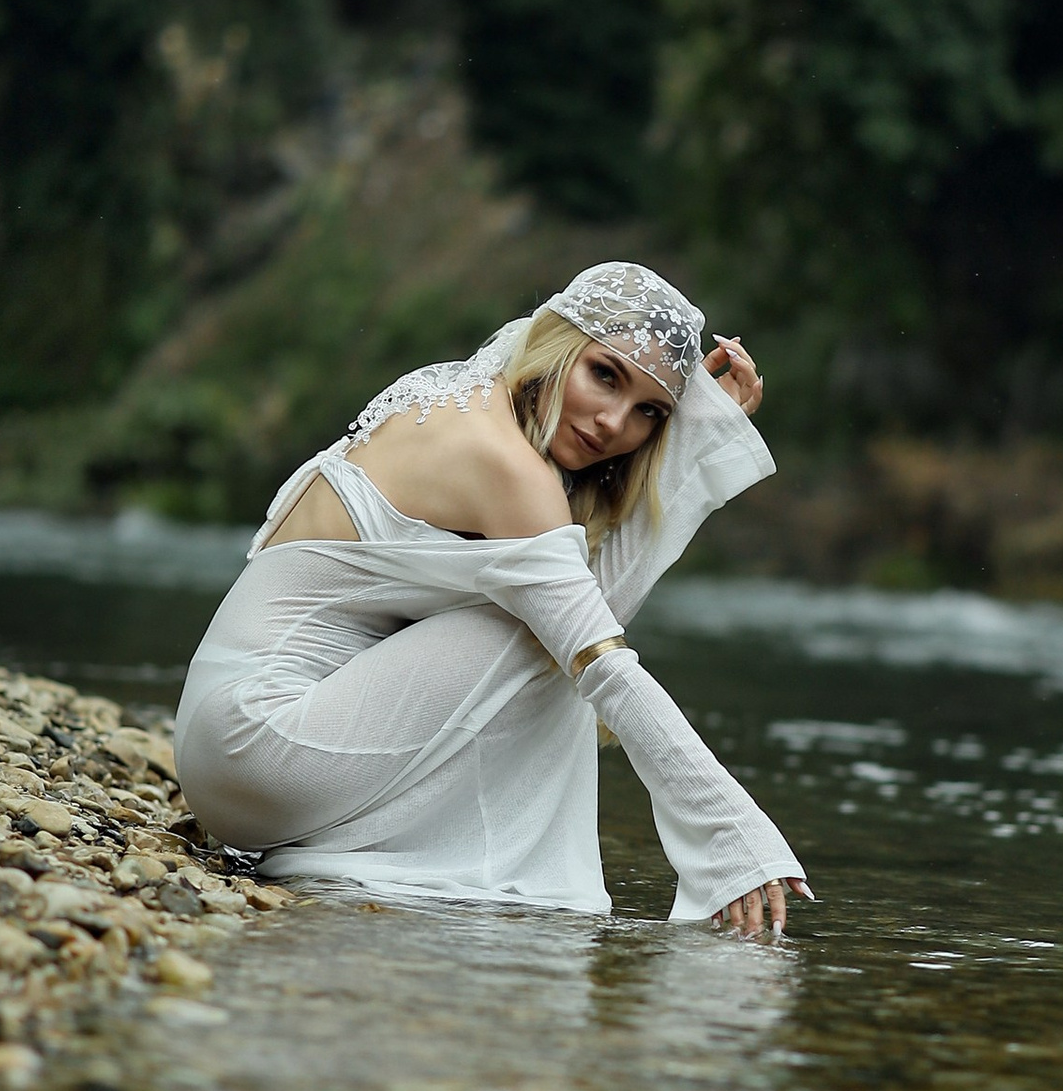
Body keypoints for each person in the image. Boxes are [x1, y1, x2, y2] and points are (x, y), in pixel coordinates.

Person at [174, 263, 810, 933]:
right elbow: (601, 655)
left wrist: (687, 441)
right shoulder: (506, 465)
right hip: (263, 754)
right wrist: (735, 835)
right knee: (554, 637)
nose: (613, 423)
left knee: (559, 620)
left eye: (650, 413)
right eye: (604, 375)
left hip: (230, 750)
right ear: (558, 343)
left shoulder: (467, 392)